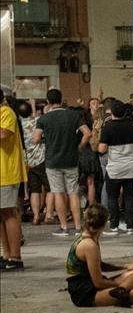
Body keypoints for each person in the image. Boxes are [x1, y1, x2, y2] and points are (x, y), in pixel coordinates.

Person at [64, 205, 133, 306]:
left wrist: (124, 267)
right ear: (104, 224)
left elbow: (99, 265)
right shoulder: (89, 245)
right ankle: (121, 290)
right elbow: (98, 282)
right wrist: (122, 284)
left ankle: (121, 290)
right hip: (86, 292)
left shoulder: (91, 237)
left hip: (92, 284)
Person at [34, 88, 91, 236]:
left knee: (58, 193)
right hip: (71, 159)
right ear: (61, 99)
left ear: (48, 102)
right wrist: (79, 147)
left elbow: (35, 139)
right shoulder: (73, 115)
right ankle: (78, 226)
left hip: (53, 161)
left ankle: (64, 227)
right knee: (73, 193)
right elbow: (87, 133)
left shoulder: (44, 119)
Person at [97, 101, 133, 234]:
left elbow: (101, 148)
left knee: (112, 197)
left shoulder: (108, 128)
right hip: (131, 166)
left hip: (115, 168)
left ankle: (114, 226)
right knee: (129, 196)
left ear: (112, 113)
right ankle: (130, 226)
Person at [0, 96, 26, 270]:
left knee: (9, 213)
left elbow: (3, 133)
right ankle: (6, 255)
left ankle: (15, 257)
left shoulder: (6, 112)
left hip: (7, 171)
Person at [18, 100, 49, 225]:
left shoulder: (19, 124)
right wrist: (33, 104)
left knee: (34, 190)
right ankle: (48, 214)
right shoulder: (37, 121)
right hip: (41, 158)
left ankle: (36, 216)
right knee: (50, 188)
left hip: (28, 161)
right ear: (30, 111)